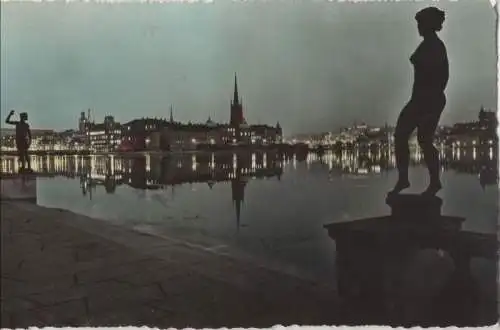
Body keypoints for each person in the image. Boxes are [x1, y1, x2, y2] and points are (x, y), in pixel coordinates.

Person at [390, 7, 449, 196]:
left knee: (415, 138)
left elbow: (442, 77)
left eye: (420, 23)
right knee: (412, 138)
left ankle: (414, 180)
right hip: (422, 99)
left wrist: (430, 101)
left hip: (428, 100)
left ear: (428, 24)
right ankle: (409, 179)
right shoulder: (429, 45)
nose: (418, 27)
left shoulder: (435, 47)